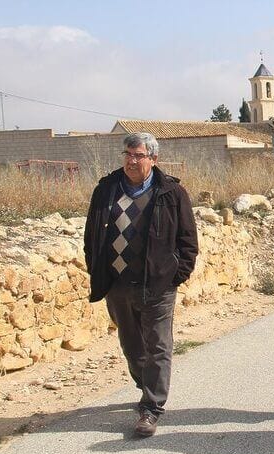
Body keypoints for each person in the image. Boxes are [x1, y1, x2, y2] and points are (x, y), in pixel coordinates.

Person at [84, 132, 198, 437]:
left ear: (153, 159)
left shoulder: (171, 192)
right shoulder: (107, 189)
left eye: (138, 155)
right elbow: (91, 235)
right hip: (118, 284)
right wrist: (95, 267)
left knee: (159, 346)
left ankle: (151, 408)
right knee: (131, 345)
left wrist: (176, 273)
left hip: (158, 285)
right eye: (128, 154)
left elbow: (188, 241)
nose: (132, 161)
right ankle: (145, 383)